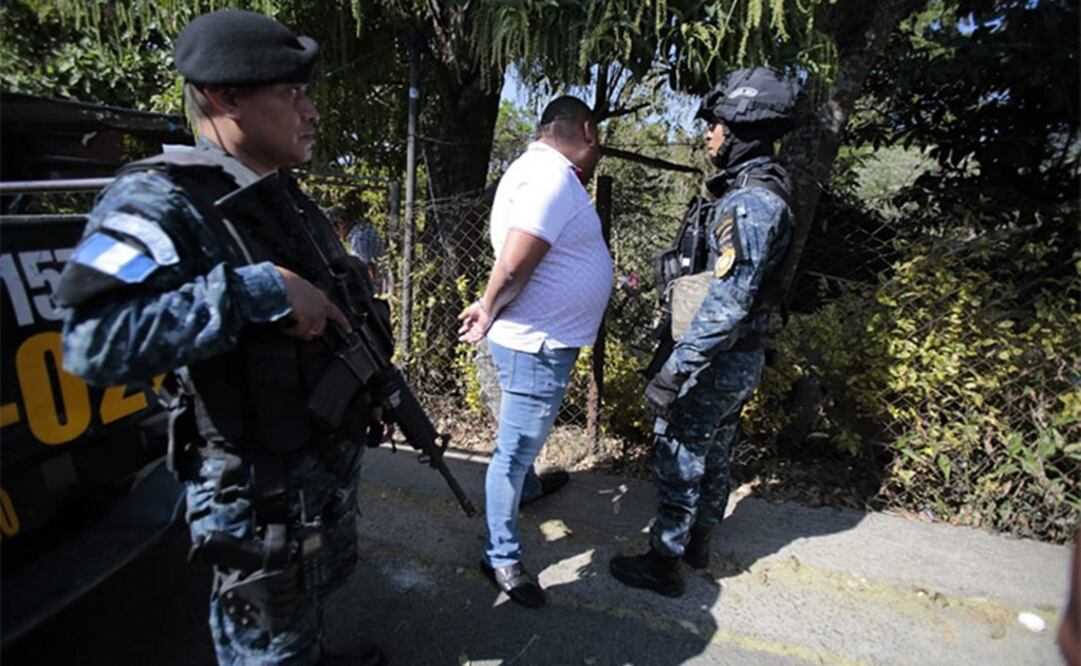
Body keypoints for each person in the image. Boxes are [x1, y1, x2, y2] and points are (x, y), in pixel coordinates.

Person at [54, 10, 385, 665]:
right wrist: (255, 293)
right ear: (225, 98)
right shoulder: (158, 200)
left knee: (311, 604)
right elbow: (92, 341)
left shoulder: (280, 192)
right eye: (291, 93)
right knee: (269, 643)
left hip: (315, 469)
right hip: (257, 490)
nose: (311, 110)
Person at [609, 67, 799, 597]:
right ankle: (698, 544)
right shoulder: (761, 188)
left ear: (738, 130)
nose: (708, 134)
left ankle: (664, 562)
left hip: (717, 359)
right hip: (740, 358)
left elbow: (729, 302)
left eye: (714, 125)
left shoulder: (750, 202)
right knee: (716, 449)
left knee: (679, 453)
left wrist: (675, 370)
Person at [457, 96, 612, 608]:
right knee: (512, 451)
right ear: (586, 130)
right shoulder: (550, 177)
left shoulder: (531, 169)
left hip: (536, 339)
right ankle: (499, 555)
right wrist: (486, 306)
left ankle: (525, 491)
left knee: (519, 442)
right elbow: (517, 259)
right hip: (535, 343)